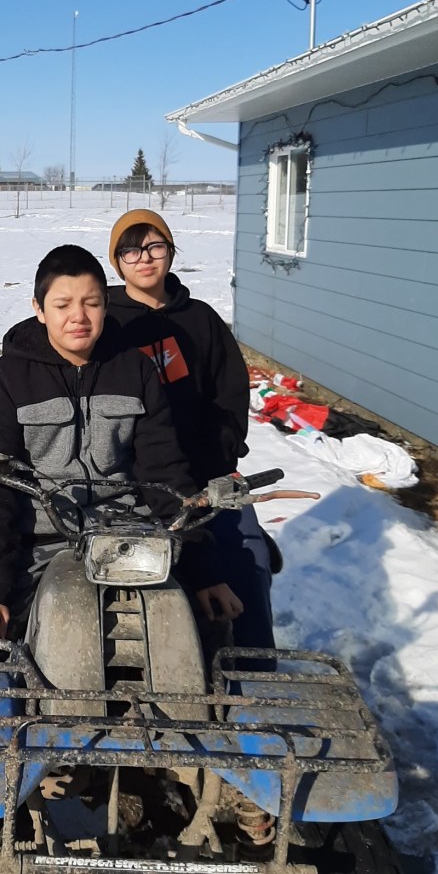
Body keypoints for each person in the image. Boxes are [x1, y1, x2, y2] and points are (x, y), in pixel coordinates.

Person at [0, 243, 243, 642]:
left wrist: (203, 572)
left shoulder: (134, 368)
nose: (78, 317)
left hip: (131, 538)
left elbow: (164, 470)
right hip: (41, 542)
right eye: (62, 305)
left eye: (91, 303)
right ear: (39, 309)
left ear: (105, 305)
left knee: (201, 634)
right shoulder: (13, 375)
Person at [105, 209, 277, 652]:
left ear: (170, 251)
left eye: (154, 246)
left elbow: (230, 394)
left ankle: (252, 671)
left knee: (247, 560)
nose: (144, 258)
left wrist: (219, 459)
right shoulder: (106, 322)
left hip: (204, 477)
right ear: (116, 260)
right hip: (134, 478)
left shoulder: (201, 321)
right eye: (130, 250)